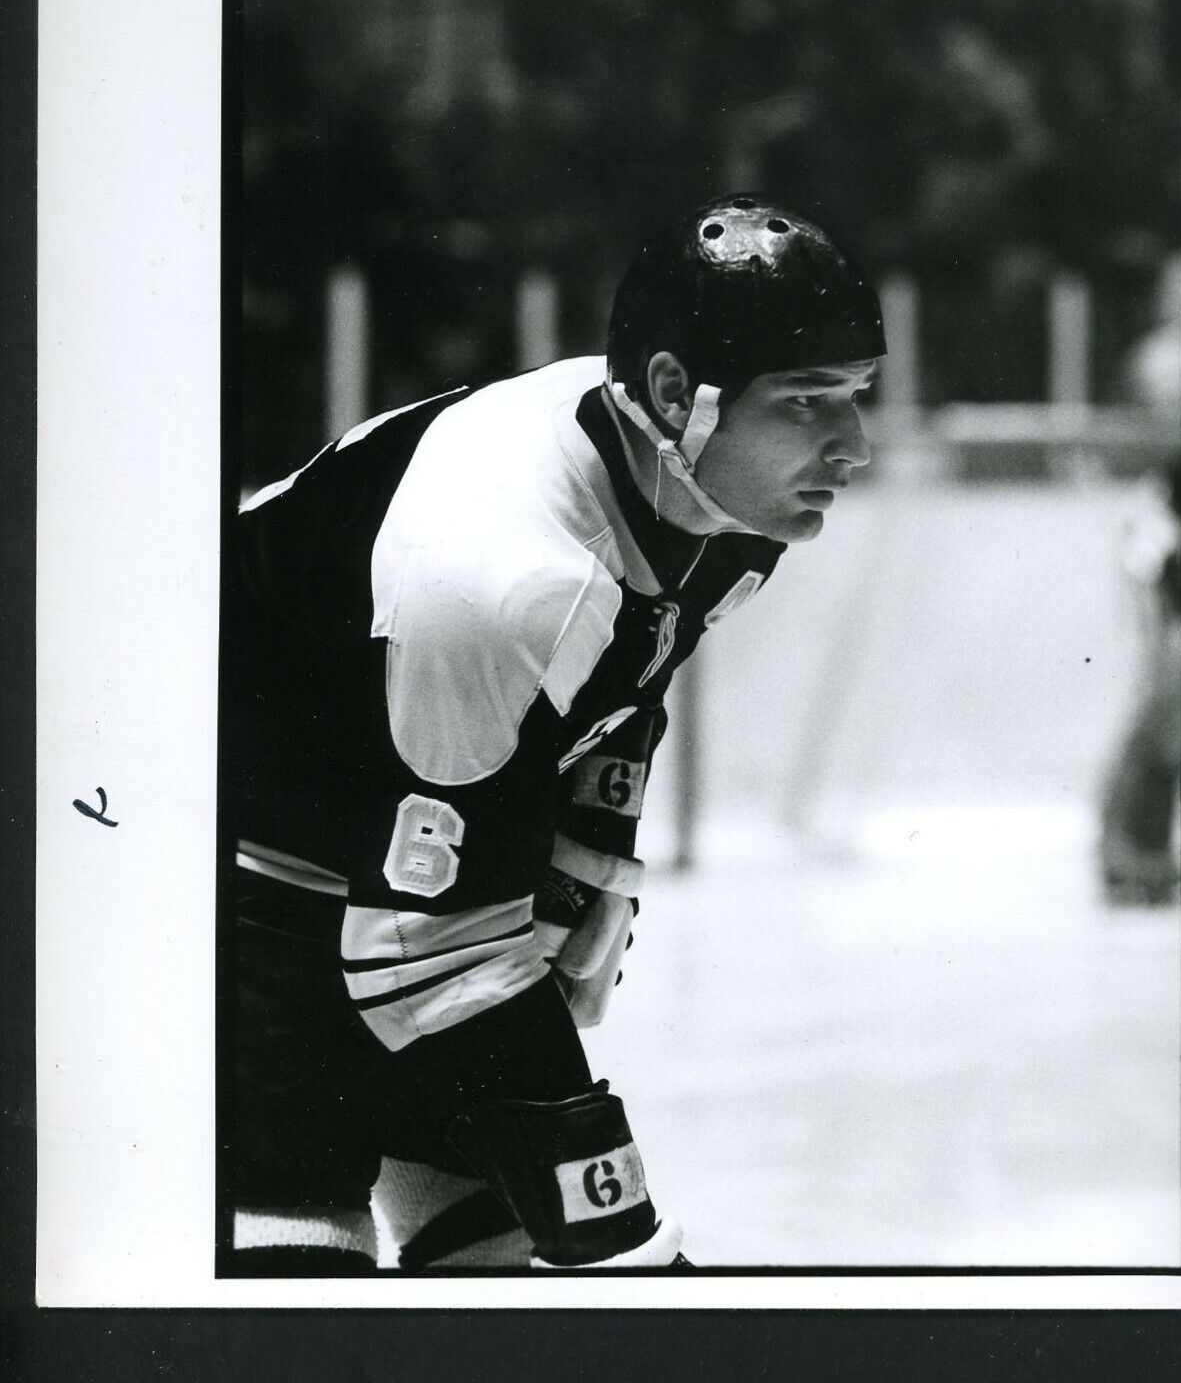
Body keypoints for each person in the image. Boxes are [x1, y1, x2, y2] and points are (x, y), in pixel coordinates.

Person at [226, 195, 886, 1273]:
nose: (852, 444)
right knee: (303, 1285)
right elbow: (421, 950)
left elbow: (619, 684)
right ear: (676, 394)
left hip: (381, 835)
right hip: (230, 864)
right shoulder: (504, 570)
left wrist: (584, 871)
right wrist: (614, 1223)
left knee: (495, 1258)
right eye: (809, 401)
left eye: (854, 396)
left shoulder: (712, 488)